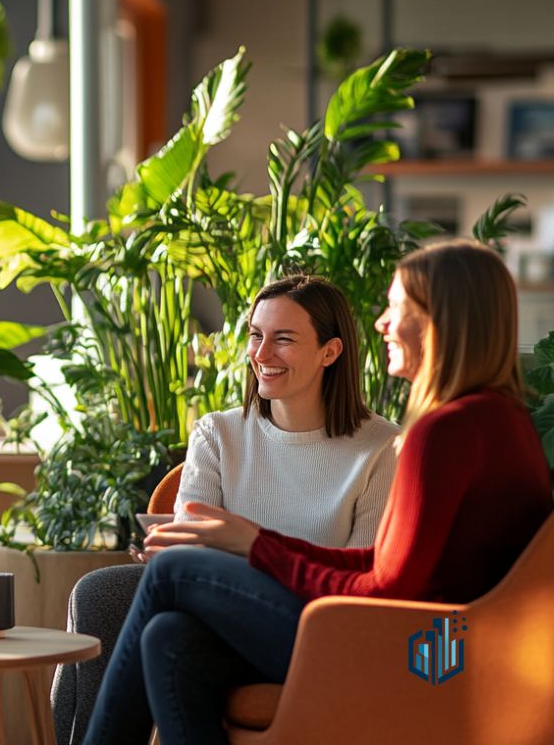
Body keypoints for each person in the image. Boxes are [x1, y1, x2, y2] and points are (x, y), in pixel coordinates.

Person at [82, 240, 554, 745]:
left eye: (396, 308)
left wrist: (256, 547)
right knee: (170, 640)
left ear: (441, 321)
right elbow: (387, 568)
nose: (381, 323)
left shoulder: (442, 432)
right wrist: (256, 539)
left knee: (173, 571)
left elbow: (384, 593)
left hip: (417, 656)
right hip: (441, 648)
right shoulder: (499, 422)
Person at [53, 274, 399, 745]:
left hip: (322, 630)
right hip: (224, 630)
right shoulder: (219, 434)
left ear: (330, 352)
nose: (261, 353)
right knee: (161, 635)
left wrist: (242, 554)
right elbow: (191, 547)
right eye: (256, 335)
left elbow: (359, 586)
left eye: (284, 339)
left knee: (171, 576)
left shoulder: (380, 447)